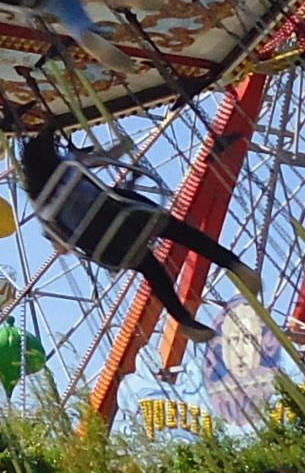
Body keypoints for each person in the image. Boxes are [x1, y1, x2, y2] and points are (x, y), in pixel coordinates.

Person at [17, 128, 263, 342]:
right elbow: (109, 156)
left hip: (107, 248)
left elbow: (63, 247)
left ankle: (184, 321)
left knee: (150, 268)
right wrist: (124, 144)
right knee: (182, 233)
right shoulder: (69, 165)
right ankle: (235, 266)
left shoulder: (42, 208)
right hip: (126, 217)